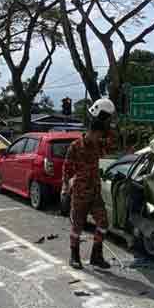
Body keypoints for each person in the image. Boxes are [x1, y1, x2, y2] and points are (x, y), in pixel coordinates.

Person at [61, 98, 116, 270]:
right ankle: (74, 256)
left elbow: (112, 144)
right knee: (77, 226)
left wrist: (109, 124)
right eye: (98, 135)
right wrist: (64, 189)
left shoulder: (98, 145)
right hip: (80, 193)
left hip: (95, 193)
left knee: (103, 224)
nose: (100, 138)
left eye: (101, 136)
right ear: (91, 132)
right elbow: (67, 169)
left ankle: (96, 256)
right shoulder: (75, 147)